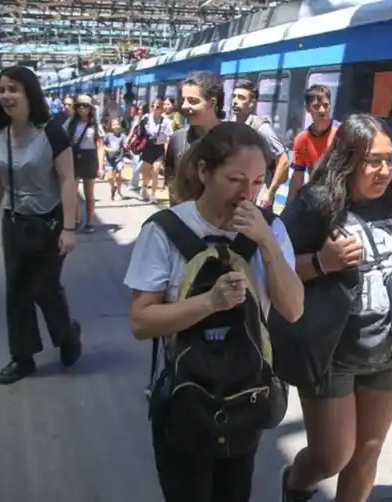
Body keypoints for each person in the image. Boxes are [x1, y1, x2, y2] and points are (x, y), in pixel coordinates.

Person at [124, 121, 303, 502]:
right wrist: (209, 302)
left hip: (246, 397)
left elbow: (293, 309)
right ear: (204, 172)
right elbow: (141, 321)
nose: (247, 195)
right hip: (186, 401)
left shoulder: (270, 230)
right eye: (236, 180)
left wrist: (267, 244)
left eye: (257, 182)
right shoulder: (165, 230)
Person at [280, 113, 392, 502]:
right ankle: (296, 482)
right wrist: (324, 262)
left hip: (388, 350)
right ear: (349, 160)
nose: (385, 170)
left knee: (368, 451)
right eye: (374, 161)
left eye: (391, 159)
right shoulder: (317, 205)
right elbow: (272, 267)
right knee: (332, 455)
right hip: (331, 351)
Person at [0, 65, 81, 385]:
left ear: (29, 94)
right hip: (14, 223)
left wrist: (69, 228)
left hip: (49, 223)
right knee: (17, 292)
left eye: (13, 89)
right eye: (2, 90)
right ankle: (22, 357)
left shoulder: (51, 132)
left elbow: (67, 180)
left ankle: (67, 335)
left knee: (43, 288)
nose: (6, 96)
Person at [164, 71, 223, 206]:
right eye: (183, 100)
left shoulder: (233, 140)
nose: (184, 106)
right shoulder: (177, 139)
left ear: (211, 103)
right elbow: (172, 184)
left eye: (193, 101)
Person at [230, 80, 289, 209]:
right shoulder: (232, 124)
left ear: (252, 103)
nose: (235, 101)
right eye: (234, 96)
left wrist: (270, 193)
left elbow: (283, 161)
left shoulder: (261, 128)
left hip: (257, 195)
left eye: (241, 98)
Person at [287, 84, 338, 205]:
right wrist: (288, 208)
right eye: (316, 106)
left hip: (341, 201)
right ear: (307, 108)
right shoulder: (301, 140)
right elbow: (297, 178)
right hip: (317, 201)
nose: (322, 111)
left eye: (326, 105)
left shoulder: (342, 133)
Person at [64, 94, 105, 233]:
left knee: (89, 193)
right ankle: (75, 220)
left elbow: (100, 147)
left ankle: (89, 221)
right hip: (74, 157)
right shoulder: (70, 123)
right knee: (73, 192)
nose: (82, 108)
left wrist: (100, 167)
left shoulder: (95, 125)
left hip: (89, 157)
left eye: (85, 105)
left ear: (90, 108)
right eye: (79, 105)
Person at [104, 118, 126, 200]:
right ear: (111, 126)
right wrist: (109, 150)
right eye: (114, 124)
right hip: (109, 160)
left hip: (119, 159)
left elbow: (125, 144)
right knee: (109, 178)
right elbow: (103, 146)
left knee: (117, 176)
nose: (116, 126)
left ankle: (119, 192)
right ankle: (113, 187)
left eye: (117, 124)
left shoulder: (122, 136)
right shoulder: (108, 135)